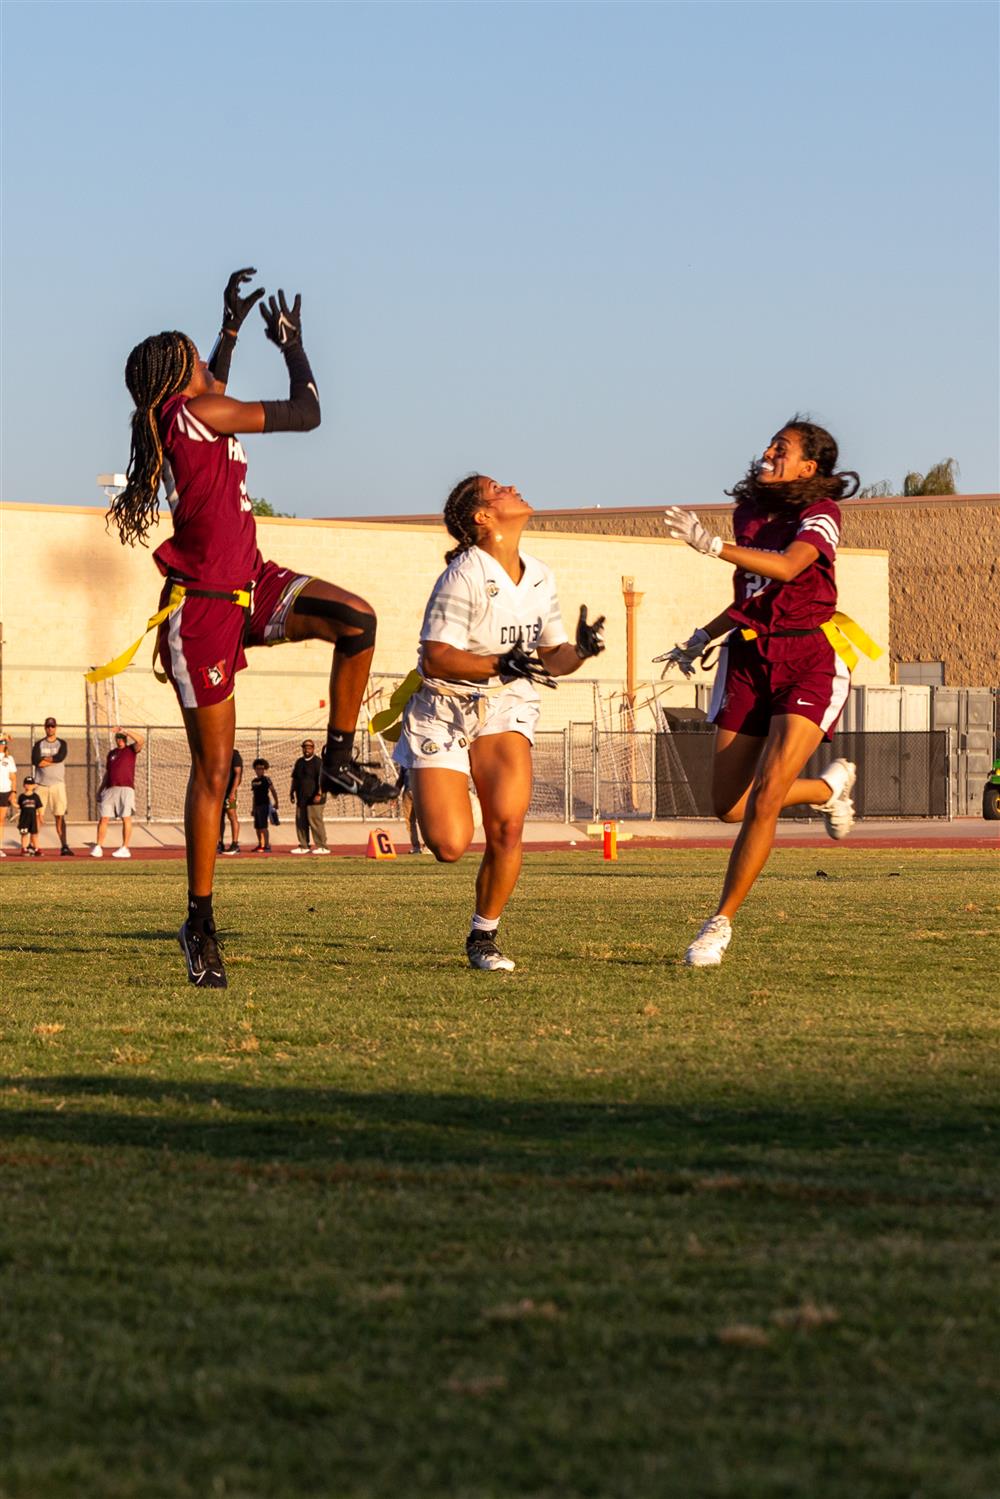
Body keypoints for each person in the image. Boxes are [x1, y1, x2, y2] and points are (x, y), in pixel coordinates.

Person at [100, 270, 393, 987]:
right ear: (178, 378)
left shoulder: (190, 413)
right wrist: (293, 348)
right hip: (201, 610)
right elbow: (307, 413)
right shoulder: (196, 414)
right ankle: (198, 923)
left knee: (357, 618)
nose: (209, 365)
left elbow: (216, 394)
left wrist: (228, 332)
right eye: (199, 357)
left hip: (248, 583)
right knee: (214, 772)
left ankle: (336, 758)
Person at [658, 416, 879, 968]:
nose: (766, 451)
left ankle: (719, 923)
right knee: (728, 805)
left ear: (809, 466)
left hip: (810, 659)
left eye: (781, 447)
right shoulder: (750, 513)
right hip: (751, 658)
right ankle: (827, 790)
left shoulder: (821, 514)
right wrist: (704, 635)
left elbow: (785, 567)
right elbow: (754, 598)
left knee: (765, 795)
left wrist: (713, 547)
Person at [393, 473, 606, 971]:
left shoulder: (539, 575)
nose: (510, 486)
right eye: (496, 489)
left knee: (507, 828)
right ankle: (430, 777)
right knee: (449, 845)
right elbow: (436, 659)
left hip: (506, 705)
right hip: (443, 709)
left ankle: (483, 937)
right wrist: (499, 663)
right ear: (482, 518)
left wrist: (580, 652)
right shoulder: (463, 575)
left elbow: (550, 658)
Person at [91, 727, 145, 859]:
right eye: (118, 738)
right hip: (110, 789)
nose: (120, 740)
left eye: (122, 738)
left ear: (125, 739)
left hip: (126, 788)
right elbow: (108, 773)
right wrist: (100, 789)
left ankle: (125, 847)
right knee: (104, 817)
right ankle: (98, 846)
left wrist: (125, 730)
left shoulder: (131, 750)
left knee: (125, 817)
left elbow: (141, 740)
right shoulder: (111, 753)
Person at [31, 717, 73, 855]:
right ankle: (34, 845)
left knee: (59, 815)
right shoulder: (38, 744)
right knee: (38, 816)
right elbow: (36, 761)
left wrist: (46, 760)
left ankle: (64, 845)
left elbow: (60, 757)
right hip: (41, 784)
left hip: (57, 785)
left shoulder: (62, 743)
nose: (50, 729)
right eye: (48, 726)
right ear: (45, 727)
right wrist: (51, 760)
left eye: (52, 726)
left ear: (56, 727)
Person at [290, 740, 329, 854]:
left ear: (313, 748)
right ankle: (304, 845)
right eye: (305, 747)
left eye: (309, 747)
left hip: (315, 798)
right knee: (300, 821)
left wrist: (319, 793)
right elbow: (295, 779)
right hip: (302, 798)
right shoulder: (299, 762)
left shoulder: (318, 762)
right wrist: (292, 792)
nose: (307, 749)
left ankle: (322, 846)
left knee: (315, 821)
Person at [218, 748, 243, 855]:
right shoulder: (218, 753)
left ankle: (235, 844)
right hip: (219, 791)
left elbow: (238, 774)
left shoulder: (234, 754)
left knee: (232, 815)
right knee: (219, 818)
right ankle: (220, 843)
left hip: (229, 791)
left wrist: (232, 791)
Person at [249, 759, 279, 852]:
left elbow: (273, 790)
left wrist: (276, 802)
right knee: (257, 827)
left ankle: (267, 845)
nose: (260, 770)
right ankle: (260, 844)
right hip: (257, 806)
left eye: (262, 769)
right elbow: (254, 796)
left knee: (263, 826)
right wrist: (253, 808)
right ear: (255, 769)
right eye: (258, 769)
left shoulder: (266, 779)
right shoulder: (254, 781)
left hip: (264, 805)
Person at [395, 767, 424, 854]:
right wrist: (395, 794)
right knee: (410, 821)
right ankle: (416, 846)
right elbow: (401, 779)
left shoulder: (422, 758)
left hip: (420, 791)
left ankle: (428, 846)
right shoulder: (404, 761)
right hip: (407, 792)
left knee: (424, 820)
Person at [0, 734, 17, 857]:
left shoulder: (9, 758)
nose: (2, 745)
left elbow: (13, 777)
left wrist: (13, 792)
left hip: (5, 791)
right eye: (0, 742)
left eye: (4, 743)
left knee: (1, 821)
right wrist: (4, 735)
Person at [18, 776, 43, 857]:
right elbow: (19, 807)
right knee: (24, 834)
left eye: (31, 784)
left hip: (33, 819)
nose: (29, 786)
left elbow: (39, 807)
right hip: (24, 819)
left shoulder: (36, 796)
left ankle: (36, 849)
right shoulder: (21, 796)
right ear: (24, 785)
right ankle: (24, 849)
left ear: (34, 786)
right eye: (27, 784)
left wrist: (41, 817)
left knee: (34, 834)